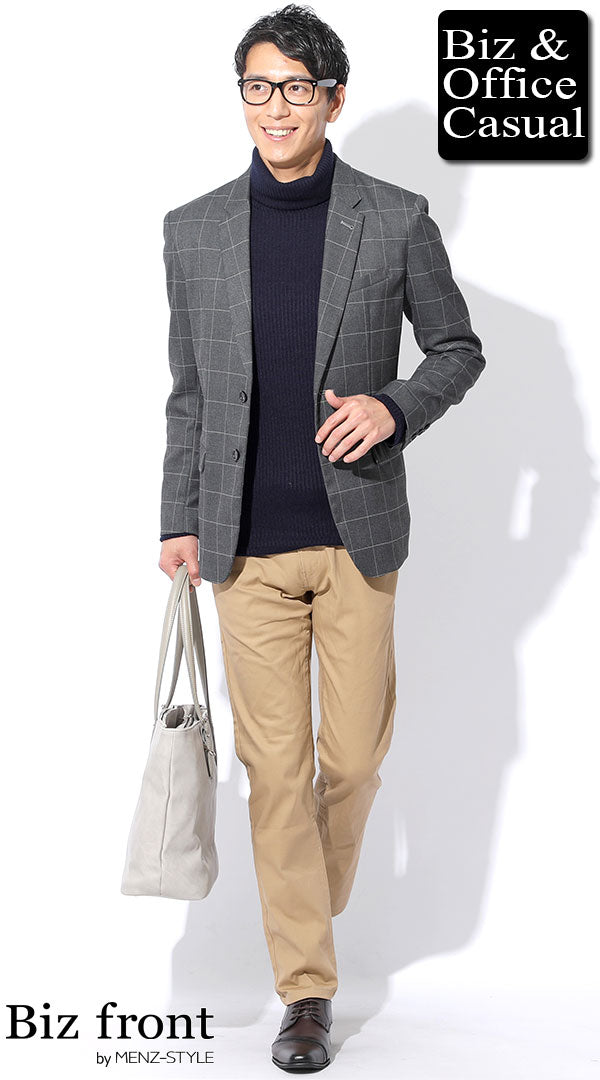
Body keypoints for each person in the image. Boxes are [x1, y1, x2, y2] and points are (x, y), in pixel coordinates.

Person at [158, 3, 485, 1071]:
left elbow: (457, 347)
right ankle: (307, 990)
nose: (275, 108)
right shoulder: (194, 229)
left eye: (295, 89)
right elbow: (191, 392)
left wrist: (394, 406)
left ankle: (305, 894)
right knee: (275, 775)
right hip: (242, 545)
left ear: (332, 101)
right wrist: (177, 517)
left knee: (347, 763)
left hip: (358, 538)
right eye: (257, 87)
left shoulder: (394, 217)